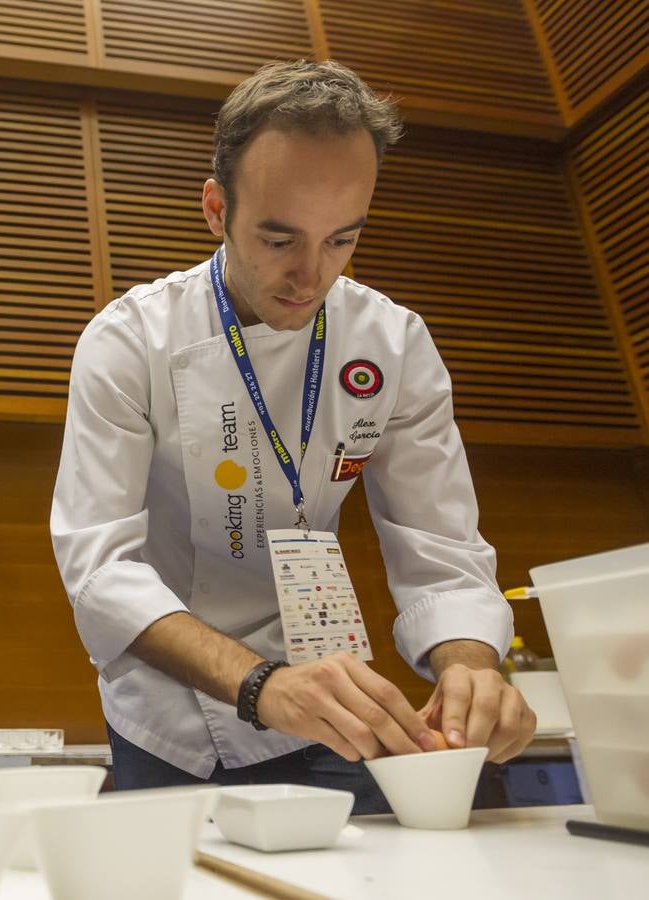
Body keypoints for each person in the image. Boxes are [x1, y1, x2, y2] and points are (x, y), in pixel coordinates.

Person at [50, 60, 536, 812]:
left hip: (333, 700)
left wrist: (471, 663)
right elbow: (99, 570)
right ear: (216, 208)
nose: (312, 277)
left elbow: (441, 548)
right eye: (279, 240)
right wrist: (261, 685)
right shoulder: (129, 340)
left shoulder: (392, 342)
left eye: (342, 240)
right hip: (169, 719)